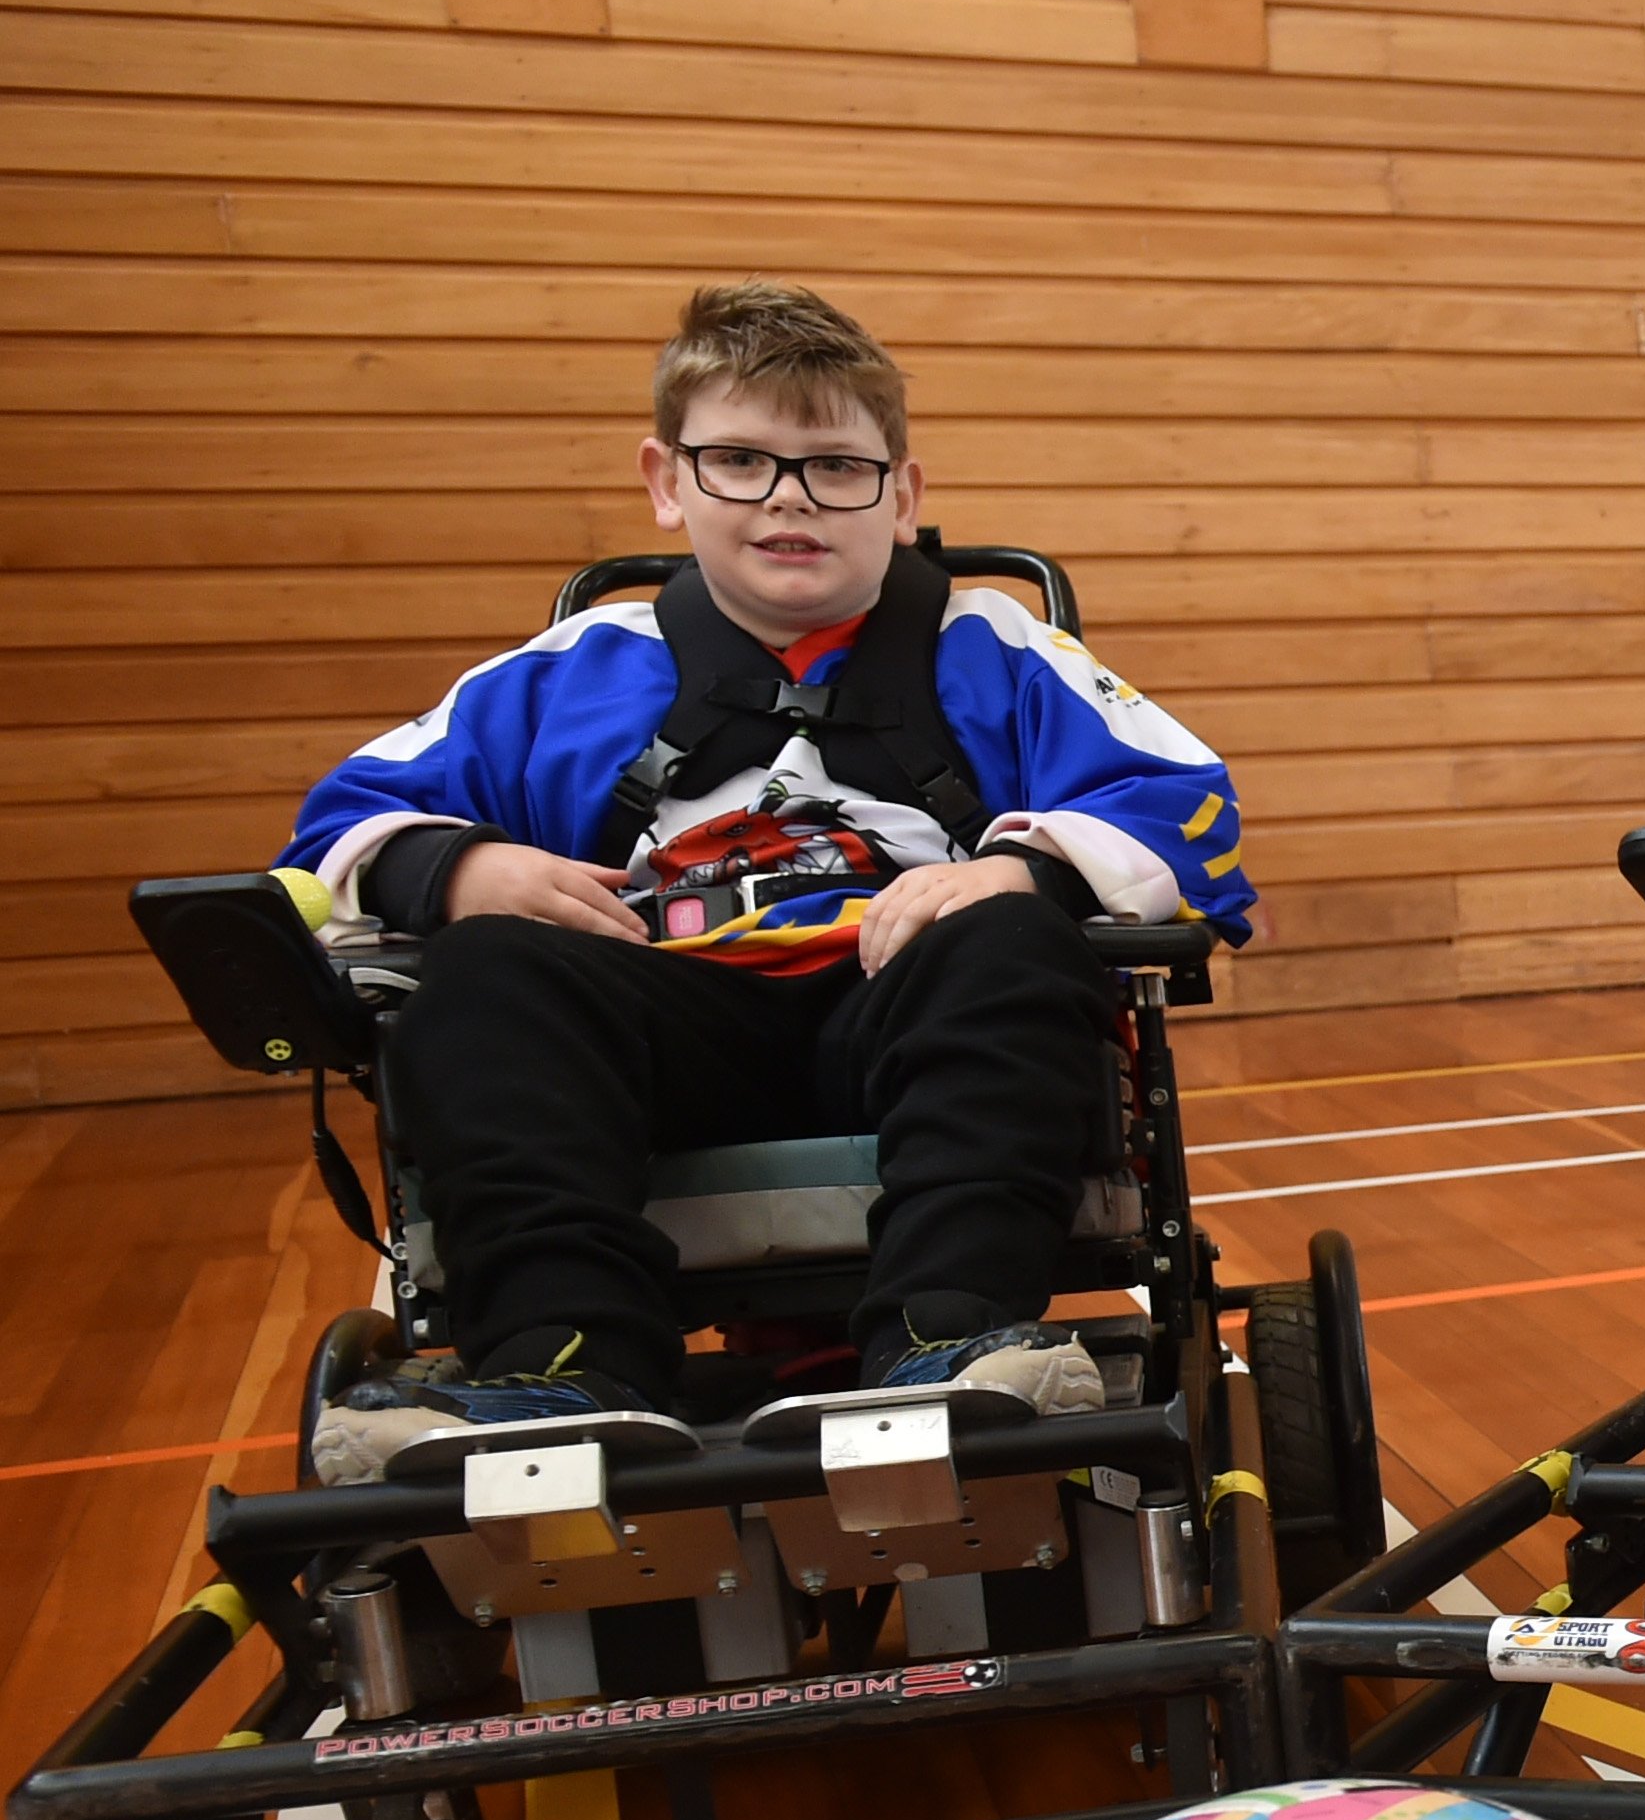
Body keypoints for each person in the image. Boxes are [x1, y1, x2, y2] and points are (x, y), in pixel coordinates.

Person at [293, 280, 1255, 1481]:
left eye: (836, 467)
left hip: (903, 1007)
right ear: (665, 479)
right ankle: (558, 1364)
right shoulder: (558, 677)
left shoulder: (998, 646)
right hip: (659, 1039)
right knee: (486, 974)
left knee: (1009, 940)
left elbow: (1191, 806)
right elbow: (337, 829)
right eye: (740, 460)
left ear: (902, 495)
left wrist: (1026, 871)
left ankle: (947, 1342)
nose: (790, 498)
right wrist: (460, 864)